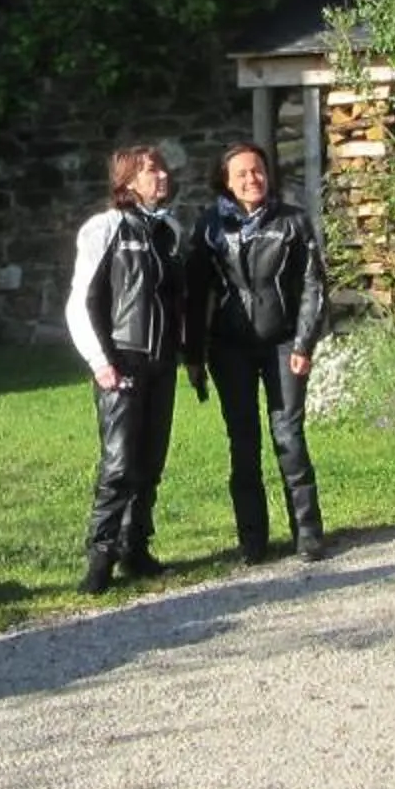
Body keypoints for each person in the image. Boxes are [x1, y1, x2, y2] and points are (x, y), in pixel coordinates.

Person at [185, 140, 329, 563]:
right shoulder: (209, 228)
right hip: (229, 348)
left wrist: (304, 342)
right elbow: (195, 295)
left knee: (289, 436)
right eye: (242, 174)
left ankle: (307, 532)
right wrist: (193, 355)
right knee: (243, 441)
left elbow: (314, 287)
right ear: (226, 182)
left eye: (258, 170)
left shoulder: (293, 222)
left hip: (283, 343)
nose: (253, 179)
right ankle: (253, 540)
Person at [65, 142, 186, 593]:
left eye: (162, 169)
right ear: (127, 180)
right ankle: (100, 558)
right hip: (122, 359)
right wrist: (101, 362)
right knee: (118, 464)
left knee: (150, 462)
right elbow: (80, 302)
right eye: (151, 170)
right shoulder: (105, 228)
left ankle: (136, 548)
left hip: (161, 361)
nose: (162, 176)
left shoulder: (168, 230)